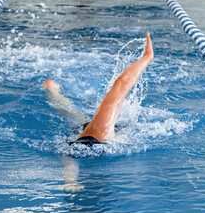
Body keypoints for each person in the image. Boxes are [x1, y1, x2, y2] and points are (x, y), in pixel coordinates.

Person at [42, 32, 154, 192]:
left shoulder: (98, 131)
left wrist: (70, 181)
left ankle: (53, 93)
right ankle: (53, 93)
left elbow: (122, 84)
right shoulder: (101, 129)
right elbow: (122, 84)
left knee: (77, 120)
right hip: (93, 137)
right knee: (77, 119)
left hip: (92, 137)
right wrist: (147, 57)